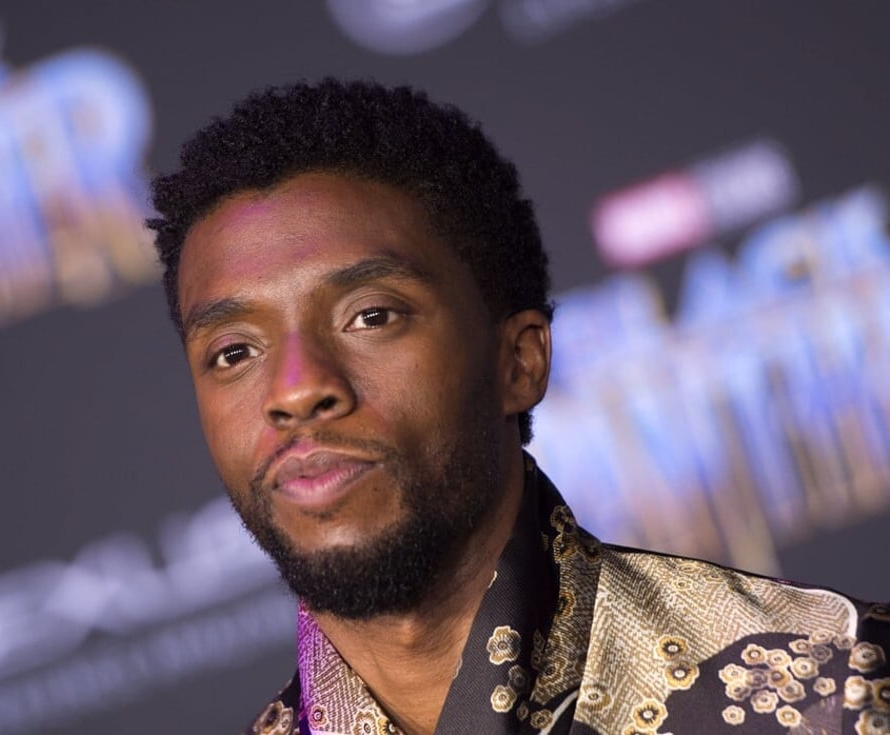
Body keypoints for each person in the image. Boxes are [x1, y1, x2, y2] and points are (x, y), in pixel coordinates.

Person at [147, 79, 890, 735]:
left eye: (371, 316)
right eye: (233, 352)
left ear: (519, 361)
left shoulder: (838, 692)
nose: (298, 388)